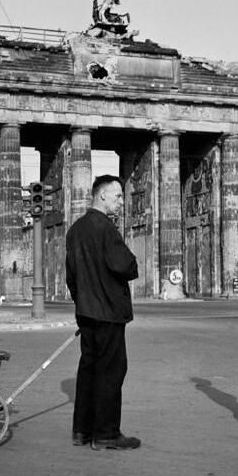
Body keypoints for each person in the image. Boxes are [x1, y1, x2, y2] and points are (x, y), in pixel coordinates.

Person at [65, 175, 140, 450]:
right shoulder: (106, 229)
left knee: (88, 370)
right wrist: (132, 261)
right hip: (108, 312)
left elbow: (71, 276)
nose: (121, 202)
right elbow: (126, 267)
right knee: (111, 371)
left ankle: (82, 431)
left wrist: (82, 303)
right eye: (118, 196)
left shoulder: (75, 230)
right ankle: (106, 433)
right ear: (102, 196)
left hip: (87, 312)